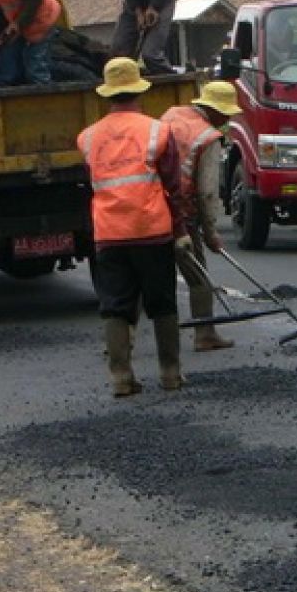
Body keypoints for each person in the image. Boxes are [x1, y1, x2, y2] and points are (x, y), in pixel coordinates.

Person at [77, 57, 189, 396]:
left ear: (108, 94)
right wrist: (181, 230)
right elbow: (173, 184)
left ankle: (121, 378)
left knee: (115, 305)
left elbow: (92, 181)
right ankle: (170, 373)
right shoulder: (157, 130)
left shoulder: (88, 137)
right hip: (152, 229)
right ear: (140, 89)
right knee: (162, 303)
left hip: (109, 233)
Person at [161, 82, 242, 351]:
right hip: (182, 214)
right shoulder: (207, 138)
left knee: (146, 275)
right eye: (227, 114)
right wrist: (211, 232)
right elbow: (207, 192)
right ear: (216, 111)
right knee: (197, 276)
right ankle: (205, 333)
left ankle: (125, 337)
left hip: (151, 207)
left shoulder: (171, 115)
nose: (228, 119)